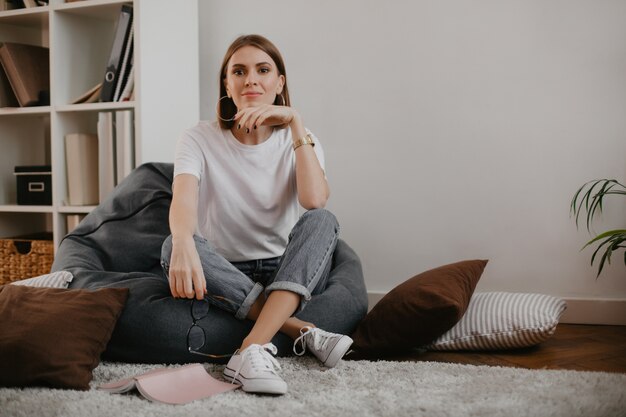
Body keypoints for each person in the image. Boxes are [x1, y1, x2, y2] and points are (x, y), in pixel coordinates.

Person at [160, 34, 353, 395]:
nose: (251, 79)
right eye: (239, 71)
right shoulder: (198, 137)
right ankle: (300, 329)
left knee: (323, 221)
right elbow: (183, 200)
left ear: (279, 84)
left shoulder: (301, 137)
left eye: (263, 70)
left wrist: (295, 122)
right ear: (226, 84)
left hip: (288, 271)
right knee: (172, 245)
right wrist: (184, 240)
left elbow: (315, 201)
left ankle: (249, 348)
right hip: (225, 271)